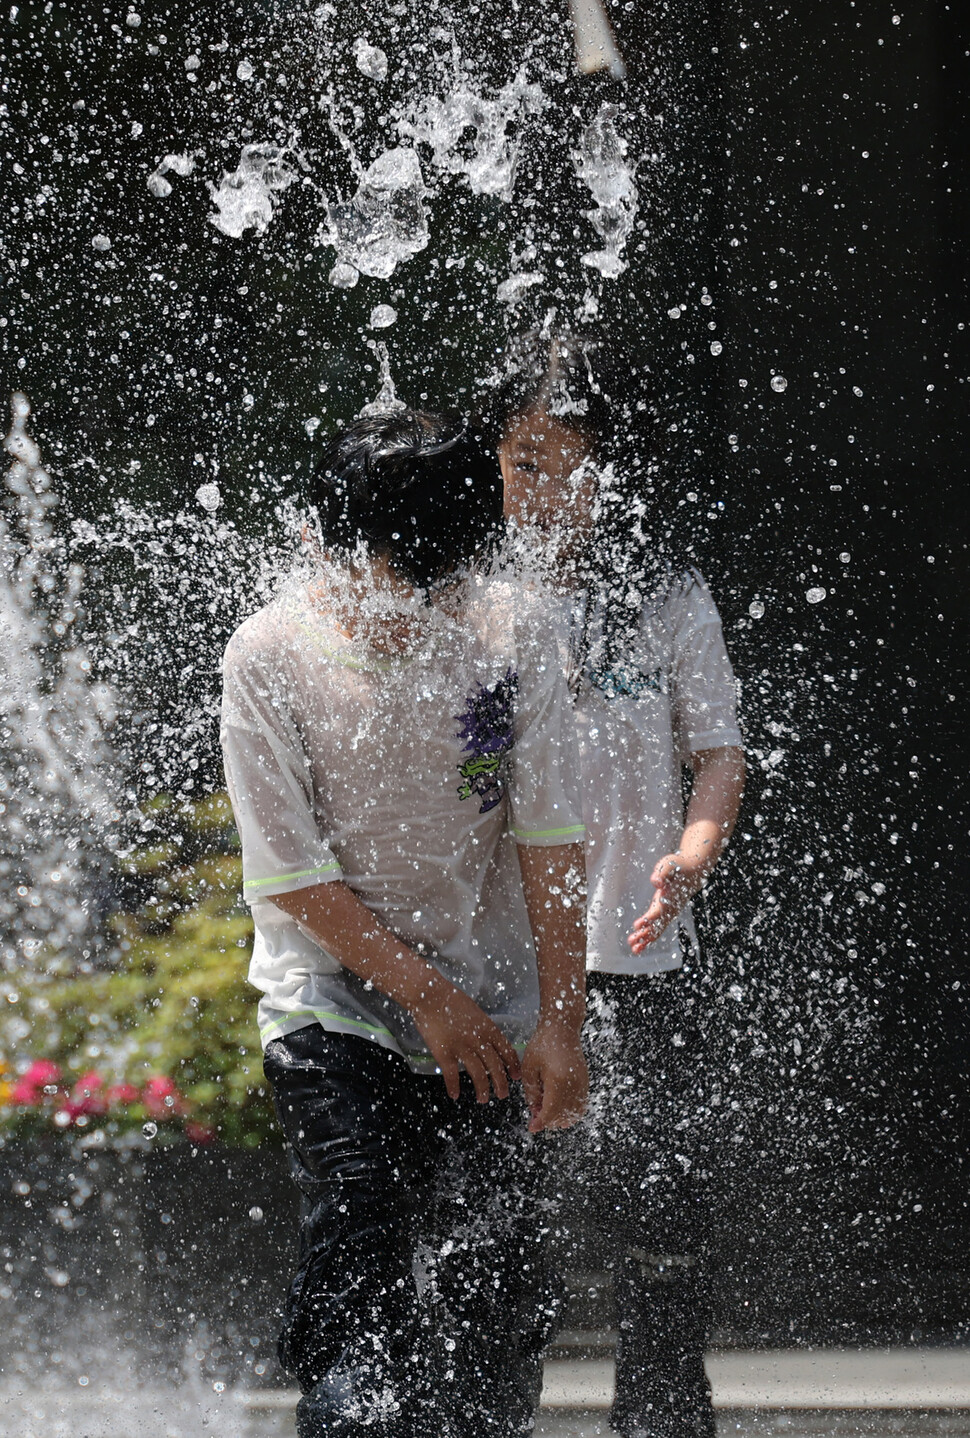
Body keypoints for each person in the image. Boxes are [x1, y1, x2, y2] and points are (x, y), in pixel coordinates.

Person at [219, 408, 588, 1438]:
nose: (412, 597)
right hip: (332, 995)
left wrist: (561, 1017)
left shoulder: (519, 633)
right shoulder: (268, 652)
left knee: (497, 1287)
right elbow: (288, 872)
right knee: (361, 1240)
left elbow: (551, 837)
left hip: (499, 996)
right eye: (386, 566)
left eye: (440, 574)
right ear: (325, 541)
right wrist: (425, 998)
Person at [490, 331, 746, 1438]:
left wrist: (691, 854)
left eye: (573, 465)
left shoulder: (665, 590)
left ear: (616, 467)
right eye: (524, 463)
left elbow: (719, 751)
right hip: (502, 955)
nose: (550, 491)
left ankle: (659, 1412)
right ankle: (490, 1408)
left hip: (635, 946)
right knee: (506, 1213)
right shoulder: (472, 589)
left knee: (664, 1201)